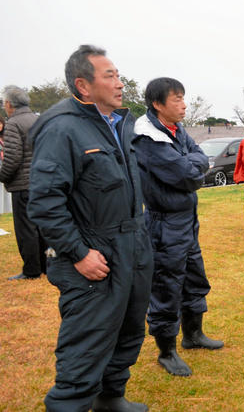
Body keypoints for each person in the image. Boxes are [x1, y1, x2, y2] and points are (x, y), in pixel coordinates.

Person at [28, 45, 153, 412]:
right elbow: (45, 202)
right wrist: (78, 253)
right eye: (110, 76)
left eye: (119, 74)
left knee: (129, 329)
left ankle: (110, 398)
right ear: (83, 86)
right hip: (93, 255)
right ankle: (68, 405)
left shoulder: (120, 123)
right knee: (87, 342)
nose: (120, 82)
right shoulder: (62, 128)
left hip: (131, 246)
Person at [132, 77, 223, 378]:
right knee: (167, 284)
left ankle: (193, 334)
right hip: (163, 223)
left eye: (184, 98)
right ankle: (166, 351)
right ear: (158, 104)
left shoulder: (177, 129)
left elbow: (200, 160)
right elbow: (187, 174)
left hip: (186, 219)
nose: (184, 105)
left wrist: (194, 166)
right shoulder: (147, 138)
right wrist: (194, 167)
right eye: (177, 99)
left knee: (194, 276)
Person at [1, 86, 47, 280]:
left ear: (10, 104)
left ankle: (31, 270)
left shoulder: (13, 123)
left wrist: (2, 176)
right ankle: (46, 265)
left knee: (25, 229)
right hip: (42, 181)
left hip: (22, 184)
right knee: (42, 227)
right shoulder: (39, 120)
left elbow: (12, 158)